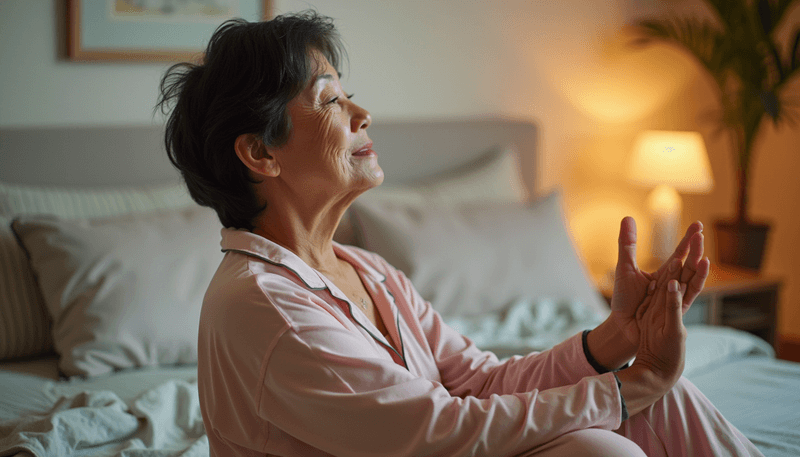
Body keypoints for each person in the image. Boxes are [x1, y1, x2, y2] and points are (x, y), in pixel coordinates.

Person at [158, 10, 764, 457]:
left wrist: (609, 342)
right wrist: (623, 389)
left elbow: (478, 383)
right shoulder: (264, 305)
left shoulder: (368, 273)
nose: (361, 115)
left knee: (665, 398)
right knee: (603, 449)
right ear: (260, 153)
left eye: (350, 95)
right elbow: (439, 429)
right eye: (328, 101)